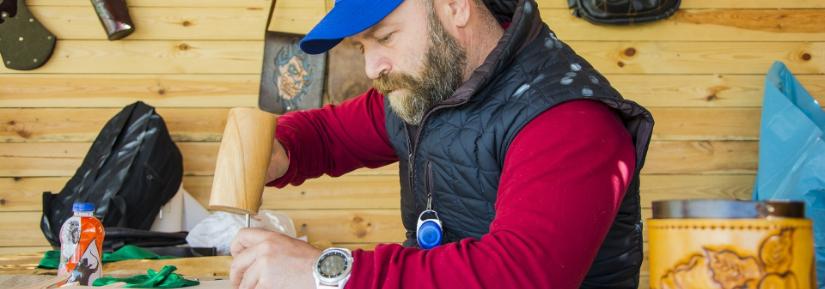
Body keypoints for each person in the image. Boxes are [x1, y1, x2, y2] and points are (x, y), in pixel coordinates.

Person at [229, 0, 654, 288]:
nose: (372, 67)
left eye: (386, 37)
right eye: (361, 46)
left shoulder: (568, 121)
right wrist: (279, 152)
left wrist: (327, 271)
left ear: (455, 6)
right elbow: (328, 134)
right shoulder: (432, 86)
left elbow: (518, 276)